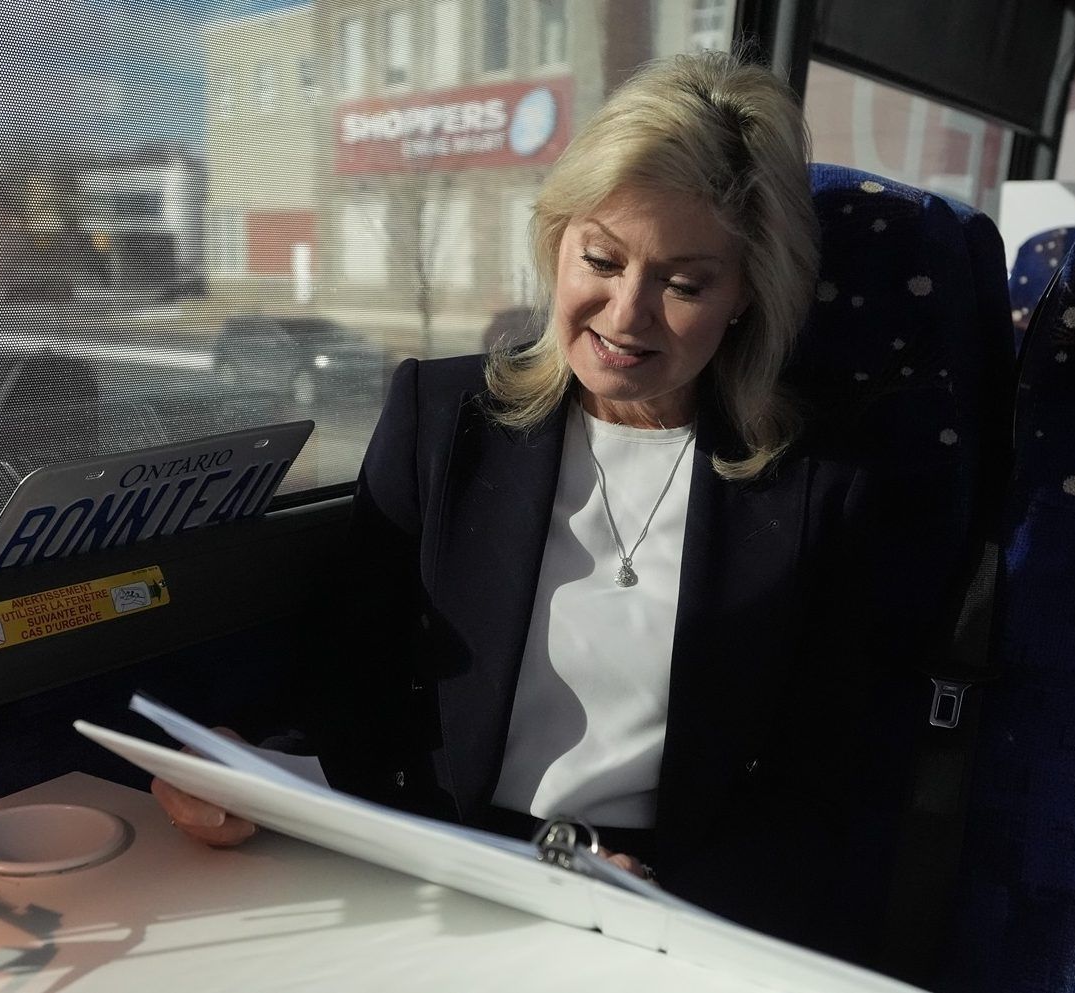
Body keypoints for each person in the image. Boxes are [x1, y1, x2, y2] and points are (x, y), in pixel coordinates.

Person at [154, 50, 938, 965]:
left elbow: (832, 774)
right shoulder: (438, 419)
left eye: (684, 284)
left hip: (668, 900)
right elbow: (349, 671)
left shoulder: (824, 482)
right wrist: (250, 772)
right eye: (601, 259)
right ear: (556, 244)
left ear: (745, 298)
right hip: (436, 867)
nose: (626, 313)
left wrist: (667, 905)